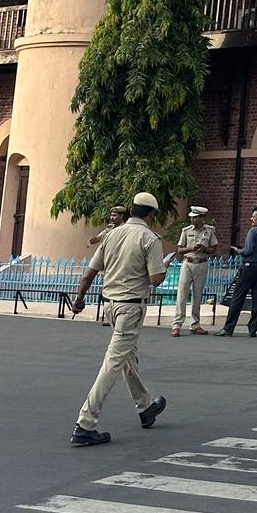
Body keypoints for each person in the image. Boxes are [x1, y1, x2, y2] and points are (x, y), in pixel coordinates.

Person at [69, 191, 168, 446]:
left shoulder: (111, 235)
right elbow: (156, 279)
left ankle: (145, 407)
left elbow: (89, 273)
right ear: (150, 215)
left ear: (131, 210)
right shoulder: (149, 238)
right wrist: (162, 267)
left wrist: (79, 299)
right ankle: (85, 423)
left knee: (127, 357)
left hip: (110, 306)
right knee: (113, 362)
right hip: (131, 307)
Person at [218, 206, 257, 337]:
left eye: (253, 216)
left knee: (238, 296)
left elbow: (248, 250)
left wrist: (238, 250)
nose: (251, 219)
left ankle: (228, 328)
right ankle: (253, 329)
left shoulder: (253, 231)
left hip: (250, 266)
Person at [171, 204, 218, 337]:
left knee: (197, 295)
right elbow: (179, 249)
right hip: (188, 262)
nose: (192, 220)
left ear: (202, 218)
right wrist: (191, 248)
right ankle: (177, 325)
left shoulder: (209, 231)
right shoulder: (186, 231)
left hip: (201, 263)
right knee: (182, 295)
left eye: (195, 217)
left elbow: (214, 248)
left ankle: (195, 324)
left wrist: (204, 249)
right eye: (192, 217)